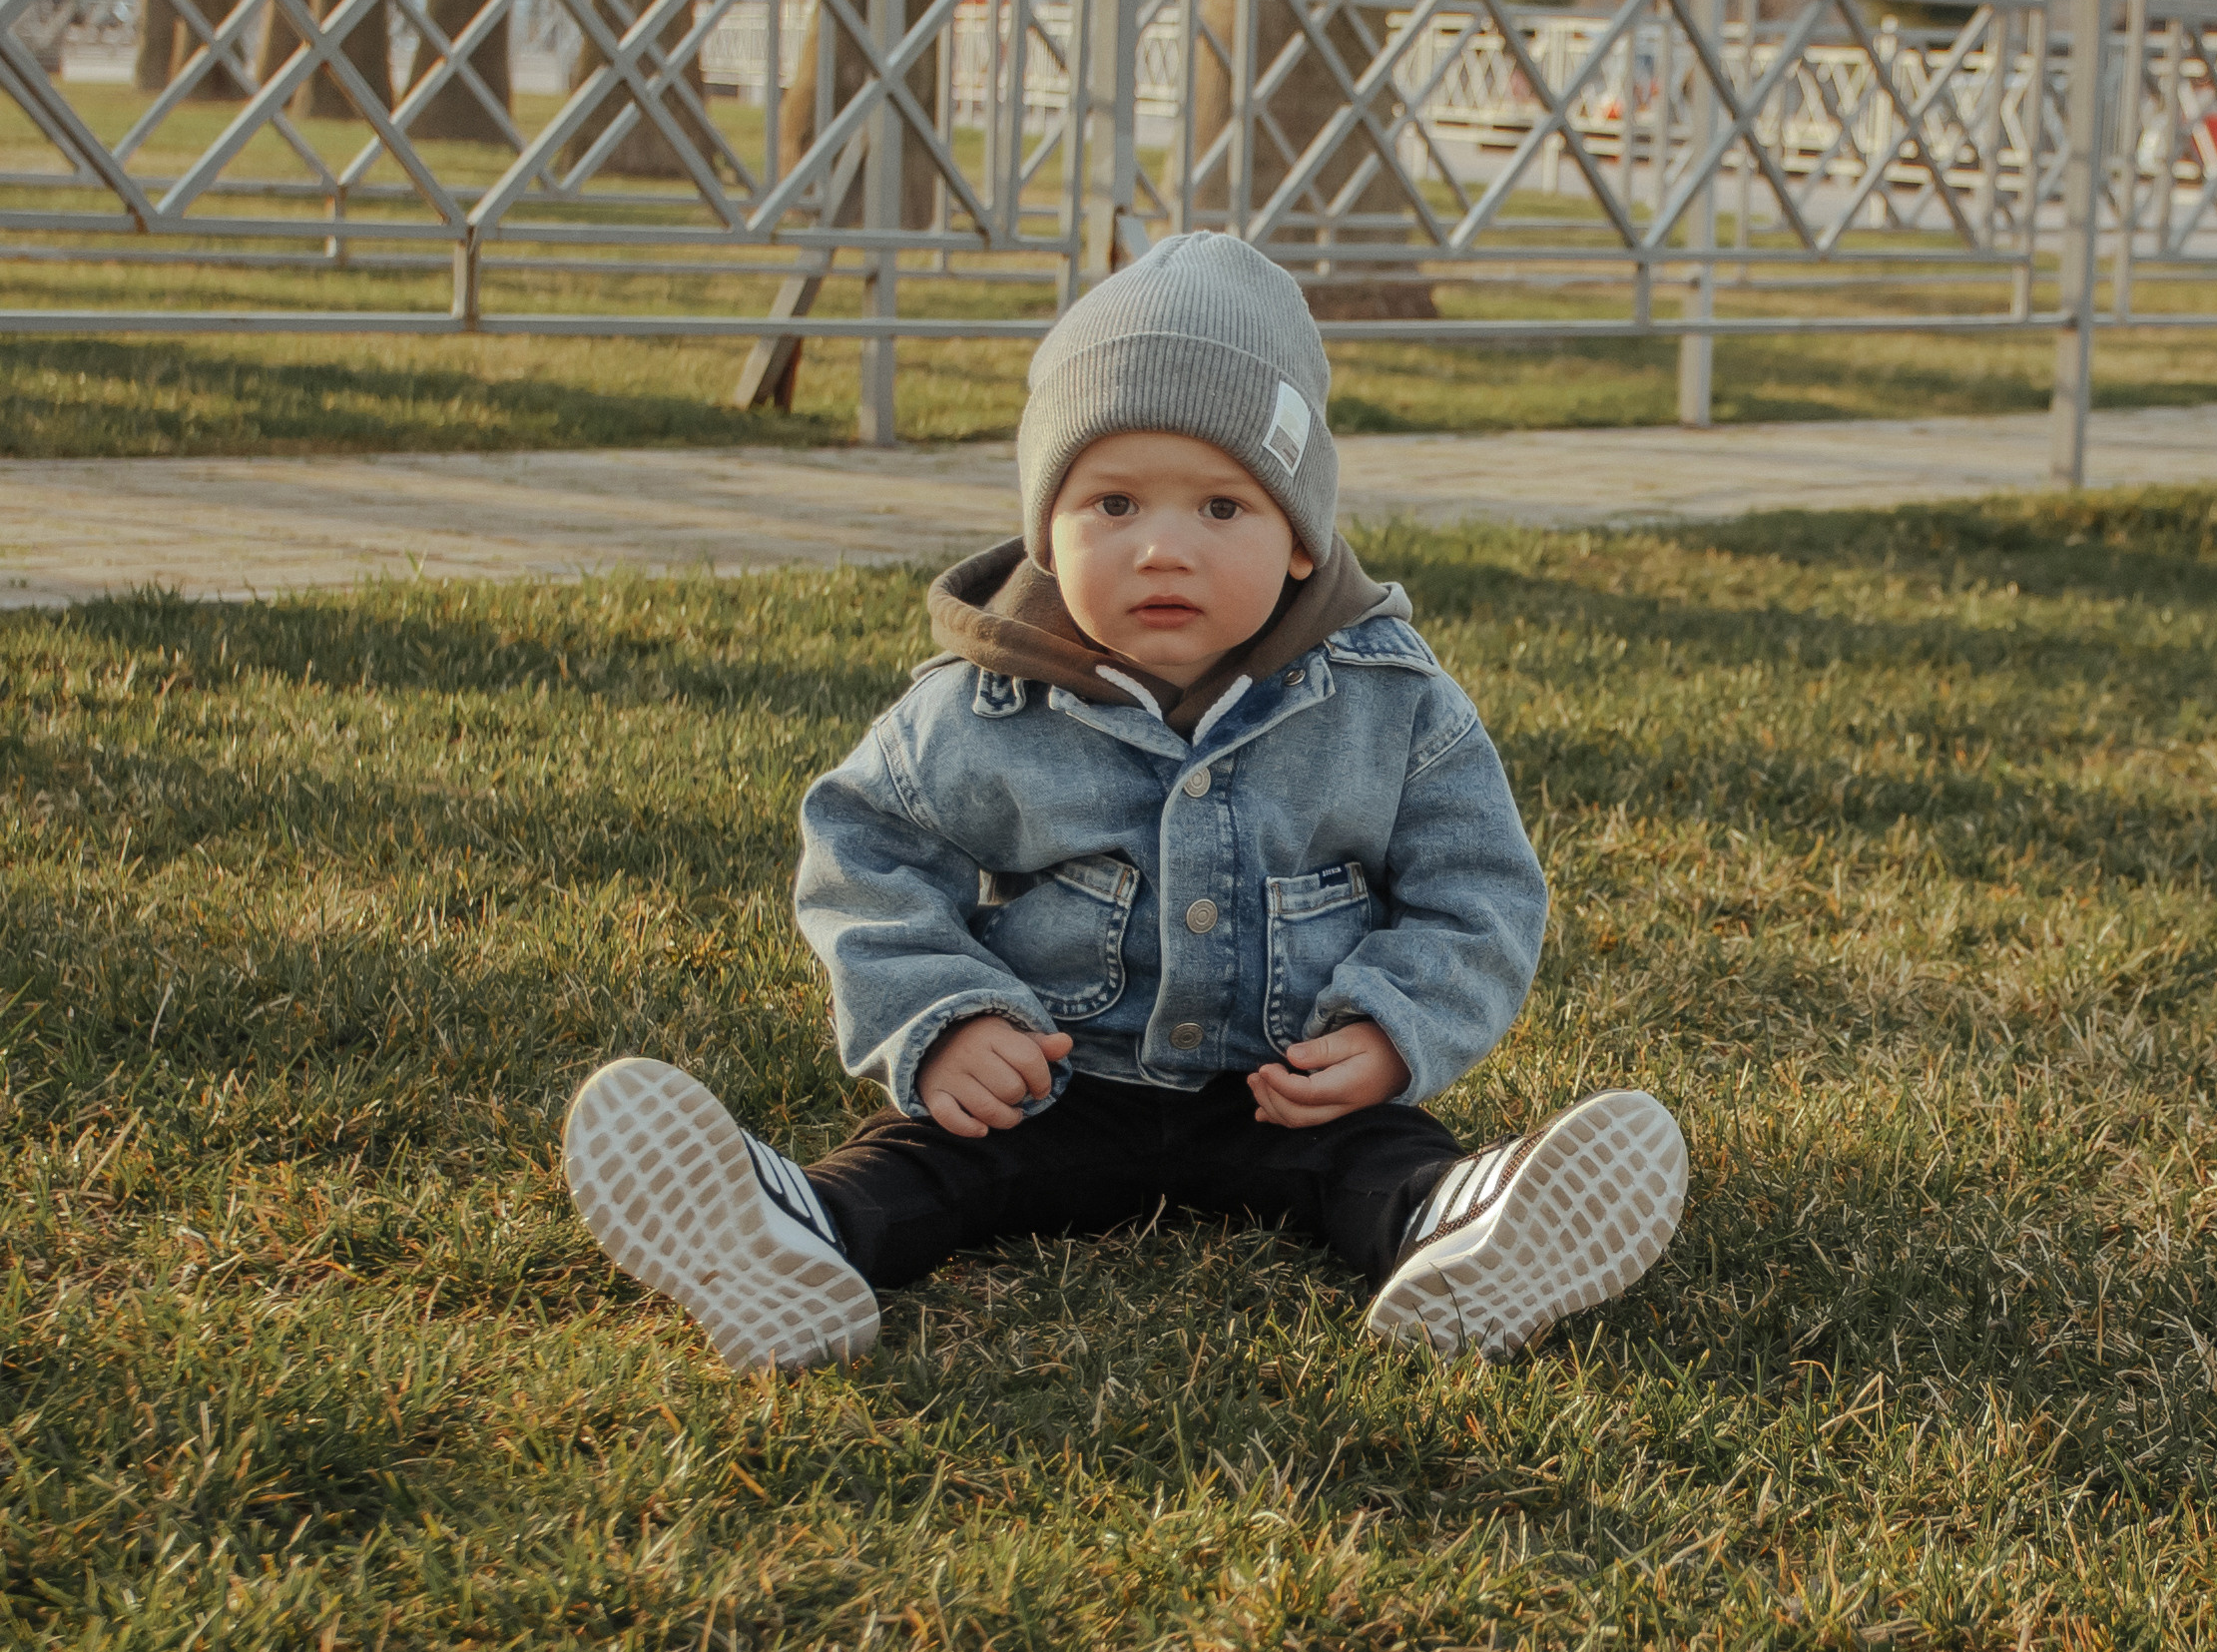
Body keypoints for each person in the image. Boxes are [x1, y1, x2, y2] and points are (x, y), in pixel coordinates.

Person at [562, 234, 1687, 1370]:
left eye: (1219, 509)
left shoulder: (1388, 701)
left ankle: (1460, 1229)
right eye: (1110, 503)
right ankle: (795, 1233)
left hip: (1286, 1090)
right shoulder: (978, 709)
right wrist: (948, 1019)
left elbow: (1477, 888)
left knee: (1377, 1160)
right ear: (1045, 531)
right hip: (1055, 1084)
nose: (1160, 550)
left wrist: (1392, 1032)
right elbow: (867, 859)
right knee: (930, 1160)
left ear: (1298, 538)